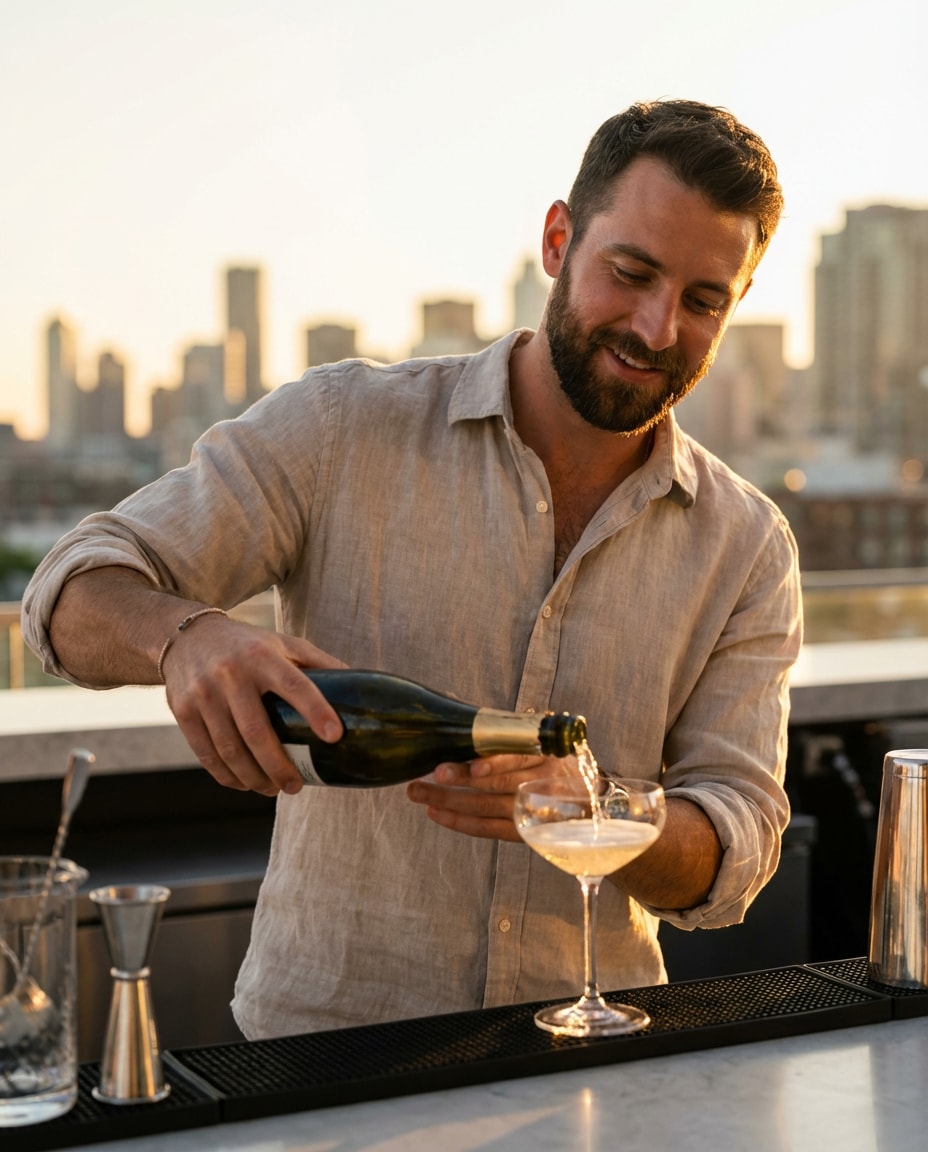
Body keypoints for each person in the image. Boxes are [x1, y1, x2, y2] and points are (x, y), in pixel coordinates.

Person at [23, 98, 802, 1038]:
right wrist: (185, 637)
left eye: (703, 301)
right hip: (323, 1057)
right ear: (558, 240)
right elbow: (66, 589)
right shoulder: (341, 426)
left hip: (591, 1060)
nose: (656, 326)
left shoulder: (748, 544)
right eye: (630, 273)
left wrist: (600, 813)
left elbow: (736, 846)